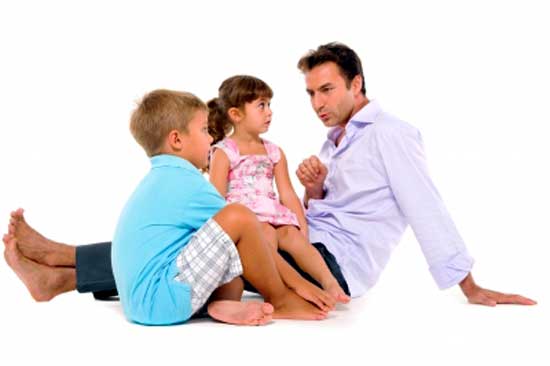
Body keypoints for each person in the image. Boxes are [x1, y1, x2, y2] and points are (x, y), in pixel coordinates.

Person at [3, 42, 536, 307]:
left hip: (333, 262)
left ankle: (64, 261)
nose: (316, 103)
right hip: (309, 239)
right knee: (199, 239)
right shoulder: (340, 138)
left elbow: (426, 205)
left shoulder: (391, 133)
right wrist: (315, 190)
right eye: (309, 93)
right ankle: (65, 274)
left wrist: (469, 286)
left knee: (209, 239)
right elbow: (344, 205)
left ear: (357, 83)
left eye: (327, 90)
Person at [4, 89, 331, 325]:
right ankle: (282, 301)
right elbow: (249, 233)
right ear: (177, 140)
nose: (211, 139)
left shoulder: (163, 177)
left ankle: (218, 307)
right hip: (158, 302)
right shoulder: (185, 183)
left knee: (228, 248)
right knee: (239, 216)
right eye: (204, 131)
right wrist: (294, 287)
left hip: (146, 301)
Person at [207, 75, 350, 306]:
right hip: (248, 219)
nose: (269, 112)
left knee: (294, 238)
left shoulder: (274, 151)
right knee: (266, 234)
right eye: (261, 106)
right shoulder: (224, 151)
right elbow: (214, 197)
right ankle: (280, 289)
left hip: (273, 212)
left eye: (269, 105)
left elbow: (287, 193)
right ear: (236, 114)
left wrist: (302, 227)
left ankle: (329, 282)